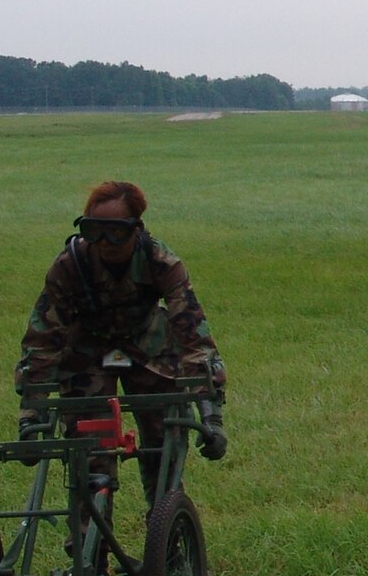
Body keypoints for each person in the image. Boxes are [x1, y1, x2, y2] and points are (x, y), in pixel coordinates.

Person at [14, 180, 228, 503]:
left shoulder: (161, 263)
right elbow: (43, 339)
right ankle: (89, 544)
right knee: (89, 460)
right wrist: (32, 414)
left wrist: (210, 414)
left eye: (115, 232)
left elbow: (192, 332)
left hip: (149, 349)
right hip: (87, 353)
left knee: (163, 449)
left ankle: (166, 532)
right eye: (93, 231)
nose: (104, 242)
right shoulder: (69, 266)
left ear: (136, 229)